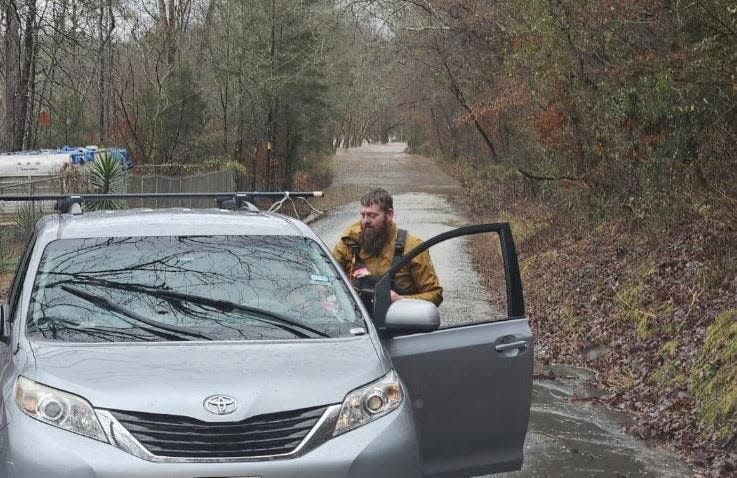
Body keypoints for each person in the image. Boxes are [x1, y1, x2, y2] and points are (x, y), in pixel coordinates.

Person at [332, 188, 443, 313]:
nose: (365, 221)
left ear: (389, 215)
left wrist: (401, 300)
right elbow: (326, 279)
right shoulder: (348, 243)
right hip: (358, 324)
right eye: (363, 215)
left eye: (372, 215)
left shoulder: (413, 247)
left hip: (400, 324)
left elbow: (435, 294)